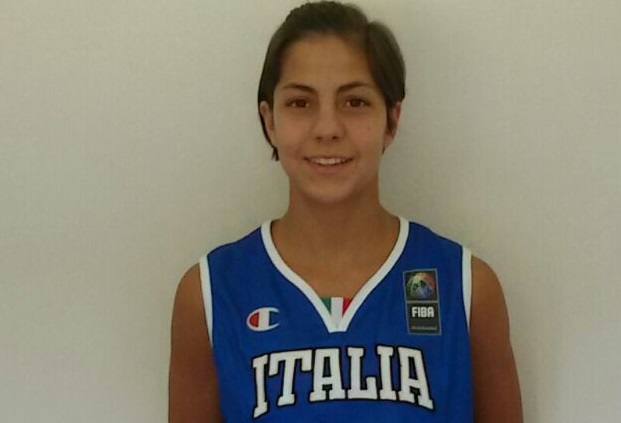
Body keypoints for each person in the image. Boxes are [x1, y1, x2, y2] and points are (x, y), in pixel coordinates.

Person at [169, 1, 522, 421]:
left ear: (392, 119)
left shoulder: (465, 287)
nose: (327, 128)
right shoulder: (210, 294)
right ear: (270, 121)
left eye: (354, 102)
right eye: (300, 103)